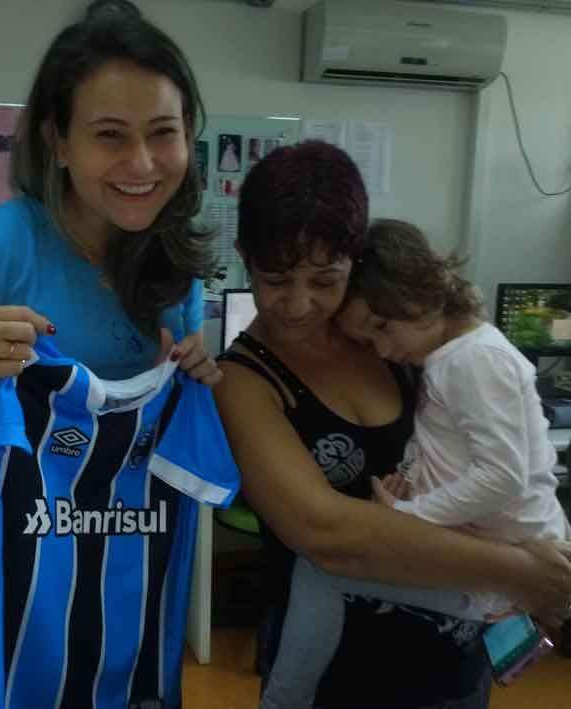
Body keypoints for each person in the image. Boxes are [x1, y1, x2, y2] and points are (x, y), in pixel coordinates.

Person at [0, 1, 221, 704]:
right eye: (110, 136)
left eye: (163, 134)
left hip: (126, 556)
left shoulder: (177, 261)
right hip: (0, 560)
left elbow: (177, 438)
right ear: (59, 141)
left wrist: (198, 379)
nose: (141, 164)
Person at [214, 139, 571, 708]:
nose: (299, 303)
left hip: (454, 663)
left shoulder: (392, 339)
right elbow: (328, 536)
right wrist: (520, 571)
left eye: (325, 280)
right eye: (275, 279)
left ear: (354, 261)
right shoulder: (246, 380)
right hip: (337, 675)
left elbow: (494, 449)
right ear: (244, 258)